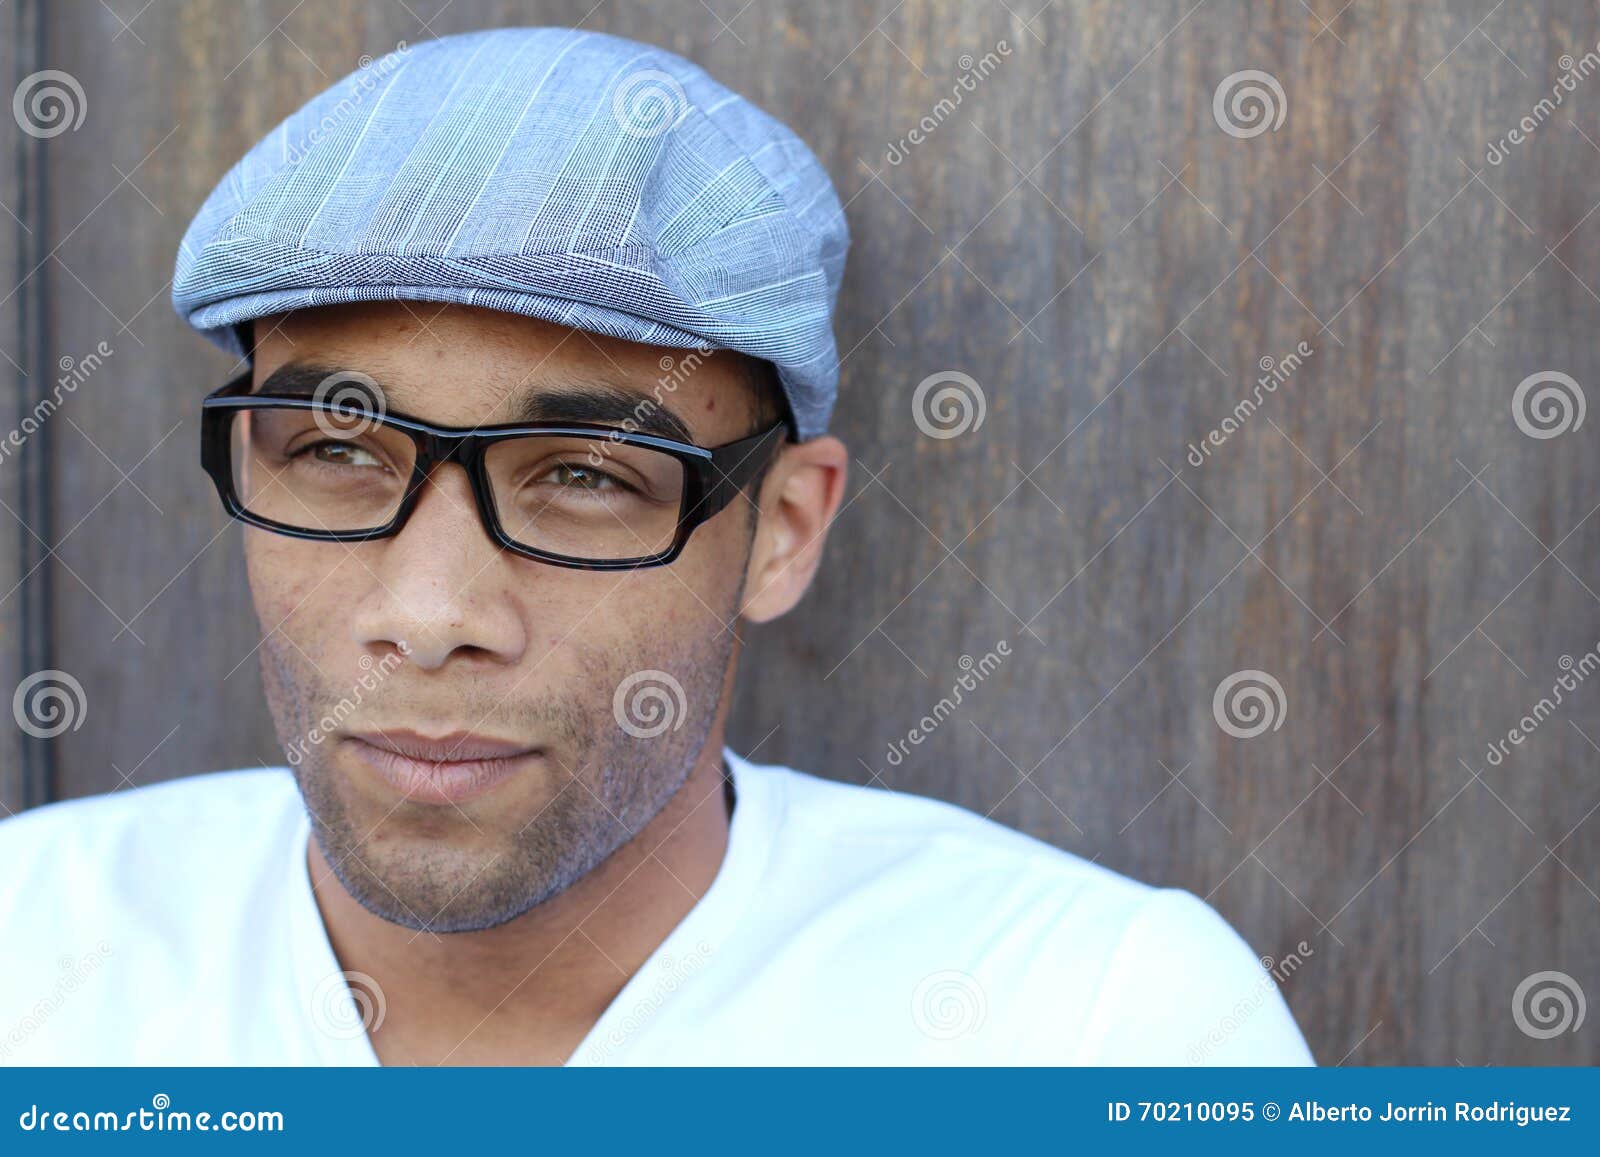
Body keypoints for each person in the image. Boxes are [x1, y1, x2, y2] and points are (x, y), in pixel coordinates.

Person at [0, 26, 1311, 1066]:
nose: (431, 608)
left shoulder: (1089, 1029)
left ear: (781, 532)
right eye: (338, 451)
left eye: (583, 474)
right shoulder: (33, 953)